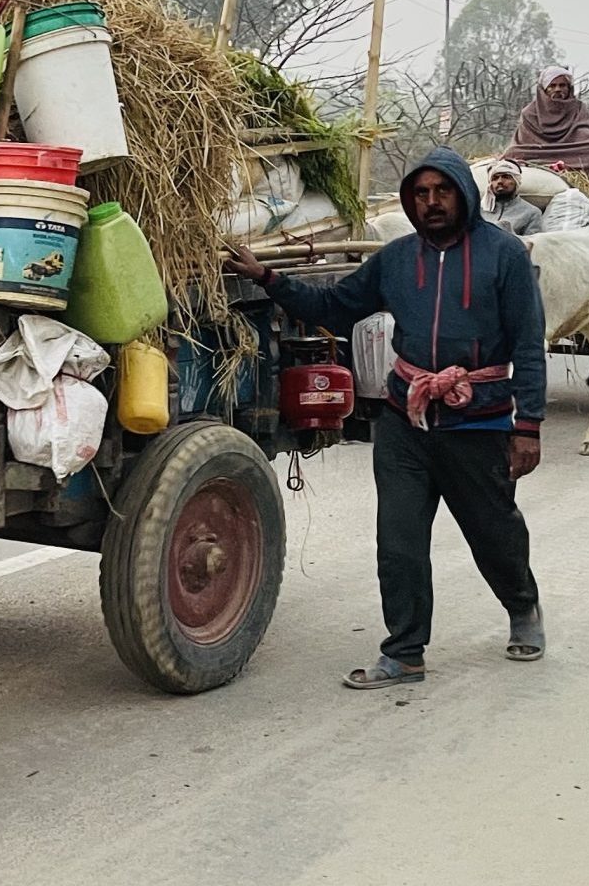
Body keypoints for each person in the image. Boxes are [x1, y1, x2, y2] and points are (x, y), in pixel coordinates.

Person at [223, 147, 549, 690]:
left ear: (462, 194)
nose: (430, 203)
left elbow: (528, 343)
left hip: (479, 419)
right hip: (405, 418)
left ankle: (523, 608)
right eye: (420, 194)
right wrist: (269, 279)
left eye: (441, 191)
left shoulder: (504, 255)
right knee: (398, 543)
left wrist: (528, 425)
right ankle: (404, 653)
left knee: (494, 533)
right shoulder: (396, 259)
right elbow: (335, 305)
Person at [503, 66, 589, 176]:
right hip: (539, 152)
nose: (557, 89)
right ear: (544, 89)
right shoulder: (529, 113)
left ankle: (578, 169)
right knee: (512, 152)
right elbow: (524, 143)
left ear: (569, 88)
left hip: (574, 151)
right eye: (552, 86)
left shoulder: (581, 109)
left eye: (562, 85)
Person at [484, 158, 543, 235]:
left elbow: (532, 242)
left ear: (516, 181)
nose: (500, 181)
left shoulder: (532, 213)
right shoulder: (478, 210)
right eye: (495, 178)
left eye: (506, 177)